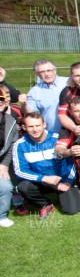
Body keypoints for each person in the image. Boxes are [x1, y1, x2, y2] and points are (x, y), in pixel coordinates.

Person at [13, 112, 77, 219]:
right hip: (40, 182)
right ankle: (45, 204)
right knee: (23, 186)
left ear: (44, 124)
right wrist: (44, 178)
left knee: (72, 210)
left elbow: (73, 161)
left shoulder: (58, 139)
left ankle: (70, 193)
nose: (35, 129)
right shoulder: (20, 145)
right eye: (31, 126)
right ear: (24, 127)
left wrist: (68, 181)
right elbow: (20, 171)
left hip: (62, 181)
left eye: (38, 125)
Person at [25, 59, 69, 133]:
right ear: (37, 74)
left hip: (74, 132)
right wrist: (24, 104)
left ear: (54, 71)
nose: (47, 74)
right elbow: (30, 113)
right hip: (52, 134)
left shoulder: (68, 82)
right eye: (42, 72)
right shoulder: (34, 91)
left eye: (49, 70)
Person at [0, 88, 20, 227]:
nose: (0, 102)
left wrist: (4, 164)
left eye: (1, 99)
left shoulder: (10, 121)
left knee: (6, 187)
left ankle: (1, 215)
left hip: (1, 163)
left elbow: (12, 146)